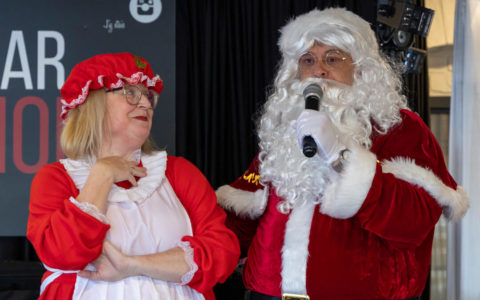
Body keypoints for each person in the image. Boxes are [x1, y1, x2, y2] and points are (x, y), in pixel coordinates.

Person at [215, 7, 469, 300]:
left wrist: (340, 155)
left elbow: (413, 222)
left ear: (360, 68)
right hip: (266, 294)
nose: (319, 70)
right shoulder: (286, 129)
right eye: (308, 60)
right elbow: (242, 214)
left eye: (332, 58)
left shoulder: (400, 128)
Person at [27, 52, 240, 300]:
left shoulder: (178, 172)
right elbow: (62, 253)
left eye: (148, 96)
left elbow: (222, 252)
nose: (146, 104)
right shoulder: (56, 178)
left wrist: (133, 264)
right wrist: (103, 174)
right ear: (92, 102)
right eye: (130, 93)